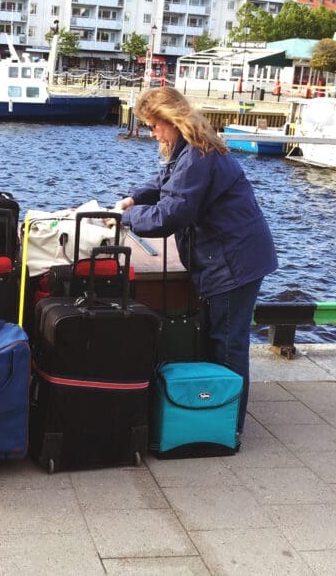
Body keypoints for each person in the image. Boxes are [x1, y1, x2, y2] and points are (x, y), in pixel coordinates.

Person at [113, 86, 278, 434]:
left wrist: (125, 218)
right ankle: (214, 414)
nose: (152, 132)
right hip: (231, 254)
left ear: (172, 120)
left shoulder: (198, 157)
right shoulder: (191, 149)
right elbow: (164, 183)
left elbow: (171, 214)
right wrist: (131, 199)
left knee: (229, 343)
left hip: (234, 261)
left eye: (155, 125)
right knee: (223, 337)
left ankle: (228, 425)